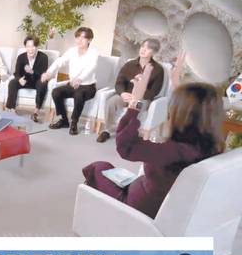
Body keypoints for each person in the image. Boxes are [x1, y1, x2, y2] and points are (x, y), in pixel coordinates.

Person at [82, 53, 225, 219]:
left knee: (98, 167)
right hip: (152, 196)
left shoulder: (172, 151)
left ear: (180, 114)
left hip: (135, 205)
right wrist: (175, 79)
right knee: (111, 171)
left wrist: (135, 102)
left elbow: (125, 147)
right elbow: (196, 105)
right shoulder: (211, 147)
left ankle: (99, 215)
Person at [97, 38, 164, 143]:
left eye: (148, 48)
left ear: (154, 52)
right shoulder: (129, 64)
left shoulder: (158, 69)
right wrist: (122, 93)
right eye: (143, 46)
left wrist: (137, 96)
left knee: (137, 107)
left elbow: (155, 91)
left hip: (142, 98)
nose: (143, 50)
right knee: (110, 103)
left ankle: (128, 134)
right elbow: (119, 82)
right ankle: (107, 130)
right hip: (126, 95)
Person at [41, 27, 99, 135]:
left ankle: (74, 122)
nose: (79, 40)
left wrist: (80, 78)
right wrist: (49, 72)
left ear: (89, 40)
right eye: (78, 37)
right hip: (72, 84)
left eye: (83, 37)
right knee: (56, 92)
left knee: (79, 94)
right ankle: (64, 120)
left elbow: (91, 67)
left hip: (88, 86)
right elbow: (60, 61)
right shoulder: (72, 51)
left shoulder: (93, 53)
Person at [5, 36, 49, 122]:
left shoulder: (44, 57)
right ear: (25, 47)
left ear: (37, 47)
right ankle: (11, 109)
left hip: (37, 80)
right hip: (25, 81)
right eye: (28, 46)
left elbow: (43, 74)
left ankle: (36, 111)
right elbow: (16, 73)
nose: (31, 49)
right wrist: (19, 79)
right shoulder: (21, 57)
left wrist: (32, 72)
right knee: (12, 82)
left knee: (42, 83)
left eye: (33, 46)